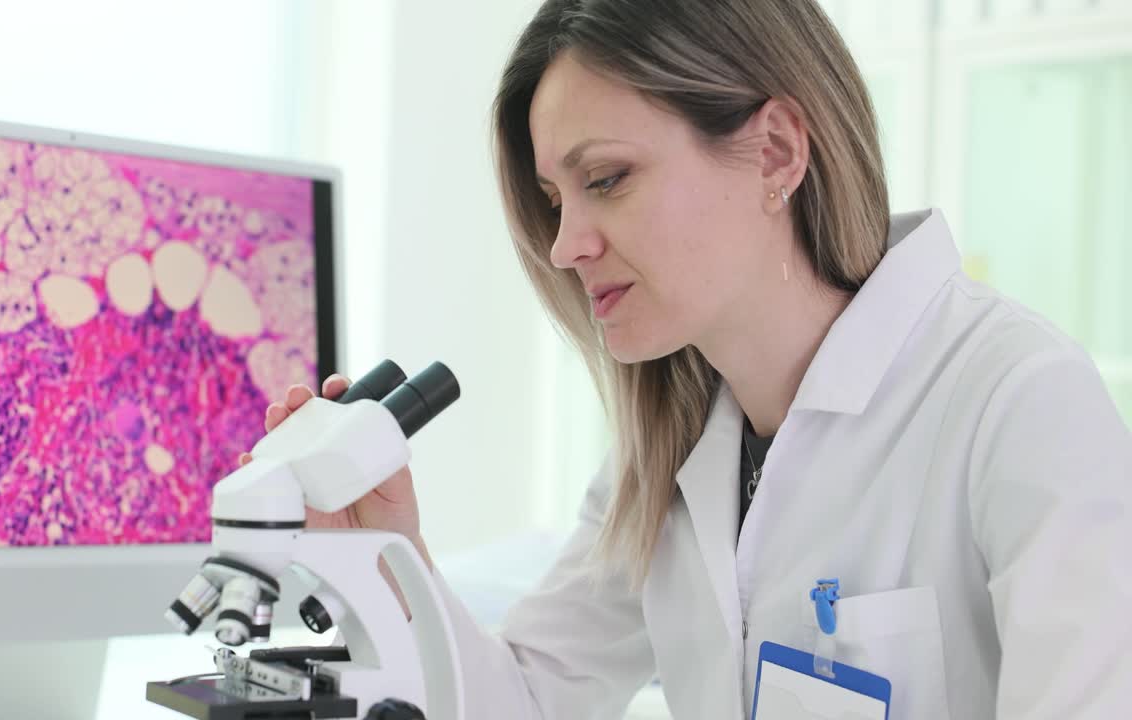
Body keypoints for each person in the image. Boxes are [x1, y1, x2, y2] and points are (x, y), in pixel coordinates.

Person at [242, 0, 1132, 717]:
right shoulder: (671, 450)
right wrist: (391, 550)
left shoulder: (1017, 403)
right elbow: (518, 701)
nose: (563, 246)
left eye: (607, 180)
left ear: (775, 151)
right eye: (554, 199)